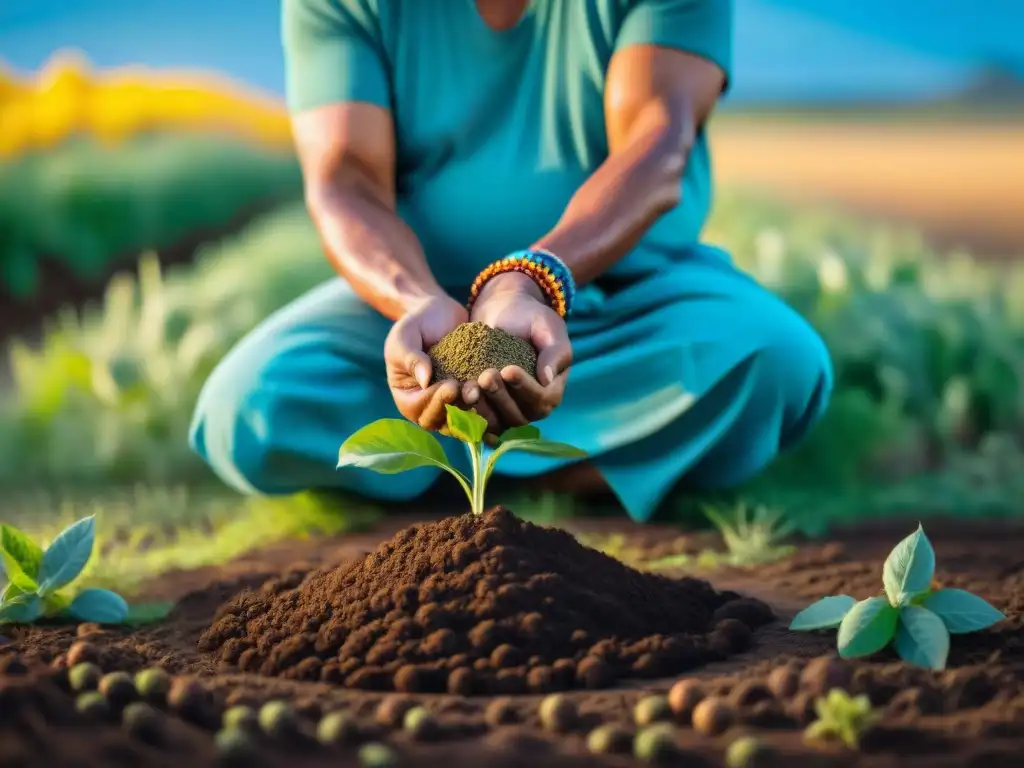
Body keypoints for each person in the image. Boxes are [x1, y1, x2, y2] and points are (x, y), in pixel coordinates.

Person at [189, 0, 833, 523]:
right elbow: (345, 180)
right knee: (249, 406)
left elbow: (657, 144)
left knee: (777, 362)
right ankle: (577, 467)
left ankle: (469, 475)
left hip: (625, 299)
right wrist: (416, 303)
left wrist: (531, 277)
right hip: (420, 313)